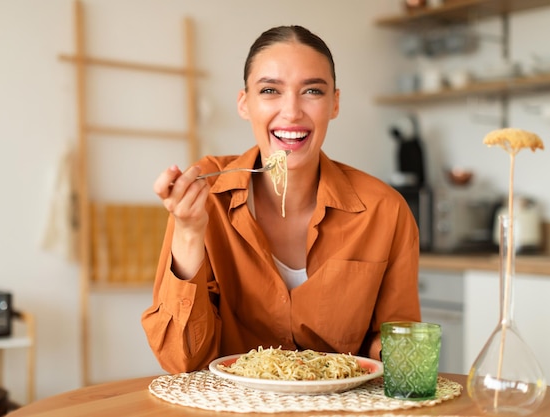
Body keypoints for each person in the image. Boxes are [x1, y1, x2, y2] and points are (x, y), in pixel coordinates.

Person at [142, 25, 421, 374]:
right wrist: (188, 232)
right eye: (270, 90)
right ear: (245, 103)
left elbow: (401, 353)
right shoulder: (205, 197)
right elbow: (181, 361)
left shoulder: (385, 210)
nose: (291, 112)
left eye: (312, 91)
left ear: (334, 103)